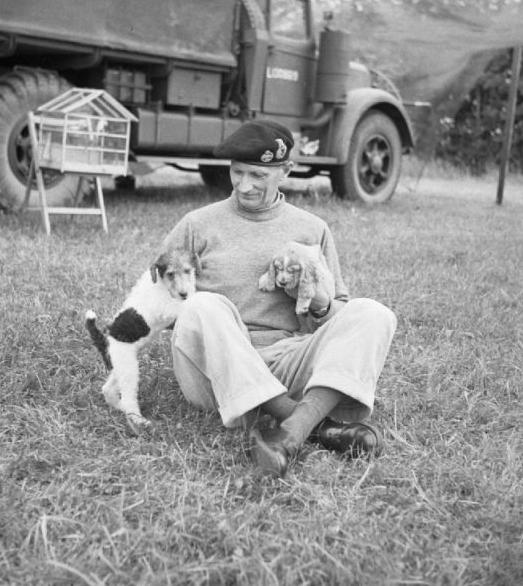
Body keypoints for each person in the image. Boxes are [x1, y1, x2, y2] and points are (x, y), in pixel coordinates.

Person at [161, 120, 397, 478]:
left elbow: (339, 314)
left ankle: (285, 435)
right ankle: (308, 425)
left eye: (257, 175)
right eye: (237, 172)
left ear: (285, 171)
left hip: (288, 362)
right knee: (200, 305)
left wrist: (319, 302)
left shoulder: (311, 229)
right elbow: (159, 296)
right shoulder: (197, 225)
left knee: (374, 314)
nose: (244, 185)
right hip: (215, 371)